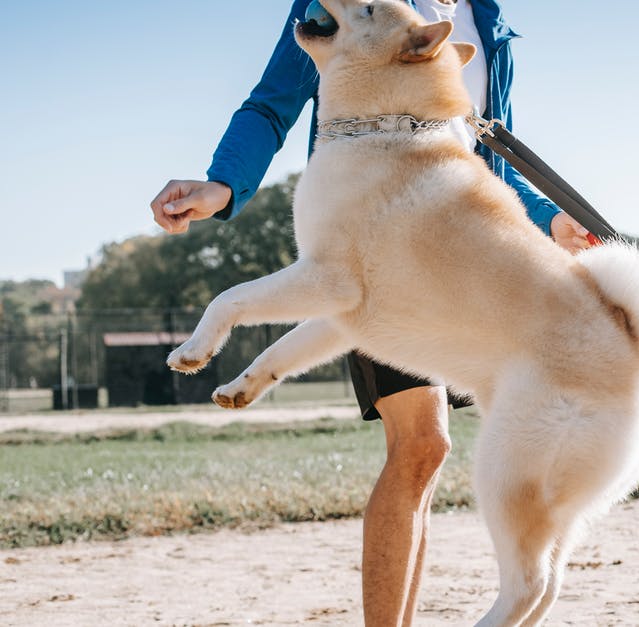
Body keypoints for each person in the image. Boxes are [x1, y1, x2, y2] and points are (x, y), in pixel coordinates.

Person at [149, 1, 592, 625]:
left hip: (458, 252)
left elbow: (480, 149)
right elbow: (272, 103)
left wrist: (552, 219)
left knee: (431, 454)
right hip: (375, 235)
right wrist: (222, 184)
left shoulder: (487, 24)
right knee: (420, 441)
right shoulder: (354, 6)